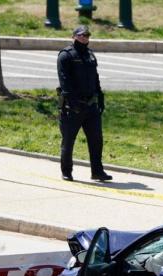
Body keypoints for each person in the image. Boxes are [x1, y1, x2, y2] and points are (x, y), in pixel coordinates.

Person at [57, 25, 112, 182]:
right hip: (72, 107)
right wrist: (73, 104)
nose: (84, 38)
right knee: (68, 141)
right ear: (73, 36)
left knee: (96, 140)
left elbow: (95, 78)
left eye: (87, 35)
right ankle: (66, 171)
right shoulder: (65, 55)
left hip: (91, 106)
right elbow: (65, 82)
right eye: (81, 35)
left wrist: (100, 97)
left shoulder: (90, 55)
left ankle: (97, 171)